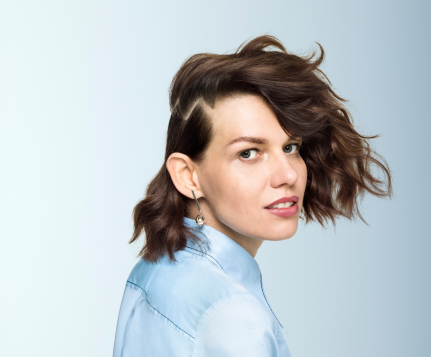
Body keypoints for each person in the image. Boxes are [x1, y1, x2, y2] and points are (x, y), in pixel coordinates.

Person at [112, 35, 392, 357]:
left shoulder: (154, 268)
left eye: (290, 148)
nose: (288, 175)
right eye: (248, 153)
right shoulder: (235, 316)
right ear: (188, 176)